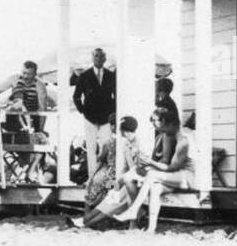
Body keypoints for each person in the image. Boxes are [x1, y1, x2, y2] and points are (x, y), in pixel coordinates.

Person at [117, 106, 199, 234]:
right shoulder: (174, 135)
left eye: (164, 127)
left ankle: (134, 210)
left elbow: (171, 167)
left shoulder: (183, 140)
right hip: (176, 177)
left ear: (170, 124)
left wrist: (150, 162)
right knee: (155, 187)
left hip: (188, 177)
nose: (163, 131)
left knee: (152, 175)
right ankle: (151, 229)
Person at [71, 114, 140, 229]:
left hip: (124, 181)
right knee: (108, 196)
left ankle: (85, 221)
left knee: (107, 197)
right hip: (120, 179)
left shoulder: (123, 143)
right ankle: (85, 221)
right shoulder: (126, 142)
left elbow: (131, 168)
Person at [73, 47, 116, 180]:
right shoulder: (84, 76)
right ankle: (92, 178)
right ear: (92, 58)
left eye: (101, 56)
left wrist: (114, 112)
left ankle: (106, 178)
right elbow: (76, 96)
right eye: (96, 56)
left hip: (106, 117)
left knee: (107, 147)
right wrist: (83, 110)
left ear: (105, 58)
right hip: (90, 117)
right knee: (90, 148)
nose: (99, 59)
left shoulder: (111, 75)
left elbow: (117, 95)